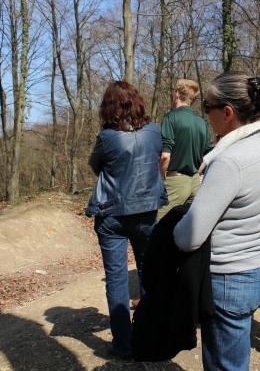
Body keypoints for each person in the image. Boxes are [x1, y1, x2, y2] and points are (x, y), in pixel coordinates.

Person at [173, 72, 260, 371]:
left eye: (207, 107)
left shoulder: (229, 160)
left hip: (233, 278)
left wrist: (173, 227)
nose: (206, 114)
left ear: (227, 113)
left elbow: (189, 237)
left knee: (226, 365)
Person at [85, 81, 168, 360]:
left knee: (117, 279)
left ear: (109, 106)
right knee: (148, 274)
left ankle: (124, 344)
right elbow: (157, 160)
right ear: (137, 102)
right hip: (146, 210)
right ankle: (149, 337)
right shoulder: (155, 131)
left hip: (112, 214)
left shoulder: (107, 137)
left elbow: (95, 166)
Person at [158, 79, 214, 220]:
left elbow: (165, 156)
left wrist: (158, 177)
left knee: (158, 229)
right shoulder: (201, 122)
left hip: (175, 183)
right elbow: (211, 155)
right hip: (196, 183)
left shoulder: (171, 117)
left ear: (177, 94)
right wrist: (198, 172)